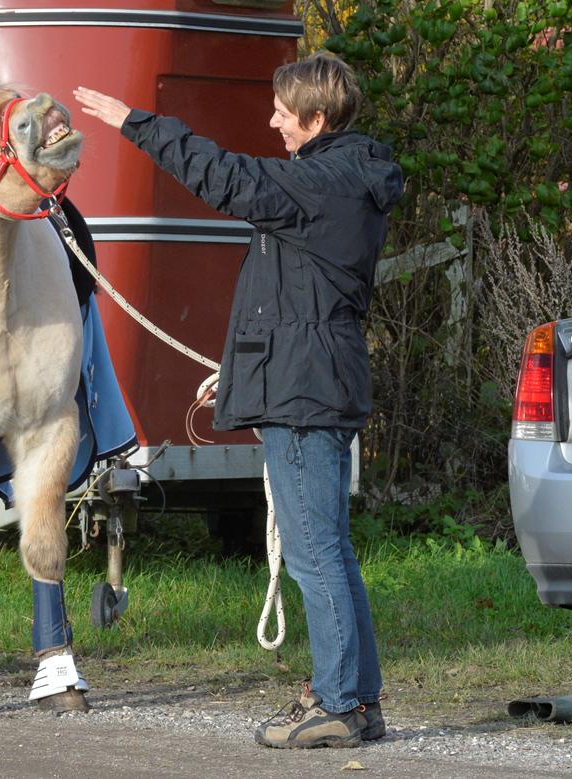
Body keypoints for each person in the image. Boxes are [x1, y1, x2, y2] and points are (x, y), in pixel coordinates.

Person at [73, 52, 403, 749]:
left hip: (306, 390)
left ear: (317, 119)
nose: (273, 121)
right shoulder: (342, 179)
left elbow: (225, 177)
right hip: (310, 375)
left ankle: (339, 703)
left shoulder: (320, 183)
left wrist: (136, 123)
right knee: (330, 548)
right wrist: (242, 369)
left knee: (313, 552)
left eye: (284, 112)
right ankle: (360, 700)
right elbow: (296, 296)